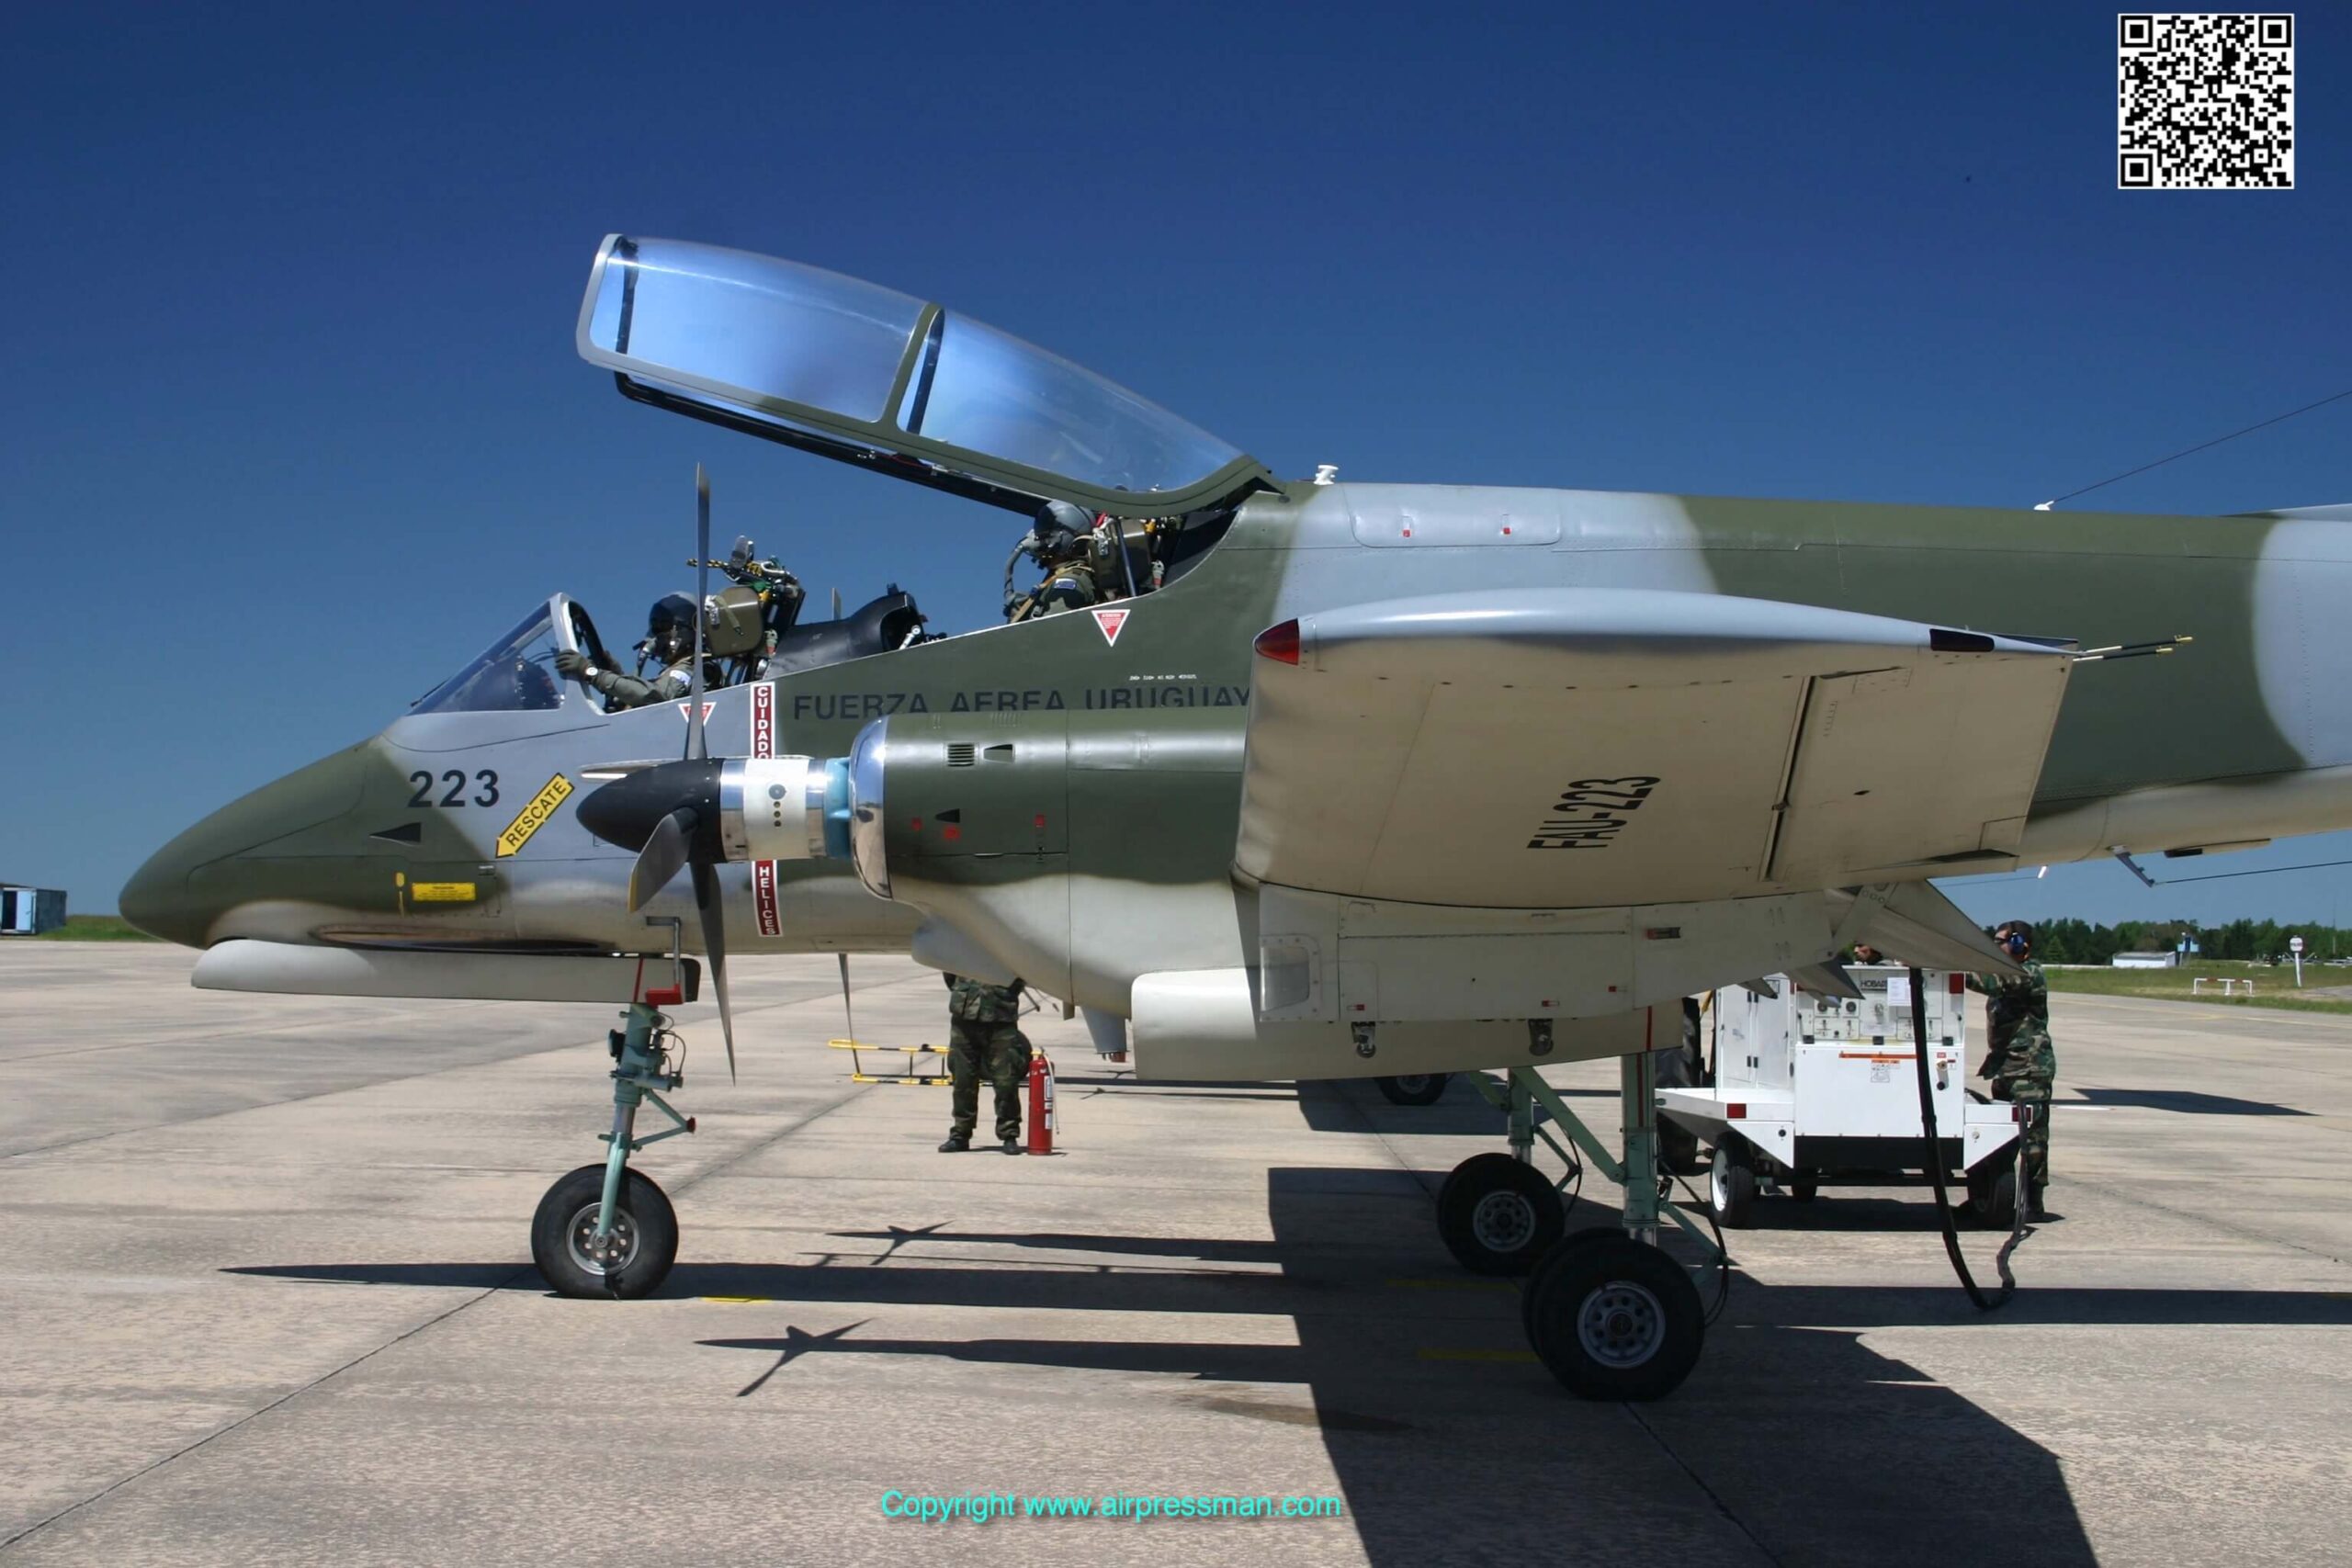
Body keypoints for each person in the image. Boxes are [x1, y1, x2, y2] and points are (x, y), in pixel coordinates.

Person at [1966, 920, 2054, 1217]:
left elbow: (1991, 983)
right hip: (2005, 1069)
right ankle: (1989, 1198)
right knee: (1998, 1141)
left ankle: (2033, 1202)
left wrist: (1950, 967)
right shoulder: (2007, 974)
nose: (1996, 946)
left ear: (2019, 945)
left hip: (2029, 1070)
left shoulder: (2030, 973)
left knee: (2033, 1142)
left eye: (2000, 941)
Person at [554, 593, 717, 710]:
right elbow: (639, 698)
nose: (657, 636)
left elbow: (653, 696)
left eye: (662, 627)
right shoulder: (678, 669)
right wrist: (613, 673)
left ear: (685, 628)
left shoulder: (694, 668)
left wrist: (592, 673)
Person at [938, 973, 1032, 1154]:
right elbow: (949, 972)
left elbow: (1020, 972)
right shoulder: (961, 947)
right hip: (964, 1017)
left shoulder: (1007, 946)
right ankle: (960, 1135)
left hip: (1000, 1017)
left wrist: (1006, 993)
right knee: (963, 1081)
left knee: (1006, 1081)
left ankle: (1009, 1135)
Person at [1004, 501, 1102, 622]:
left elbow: (1053, 634)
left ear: (1061, 537)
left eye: (1042, 529)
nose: (1034, 535)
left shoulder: (1068, 583)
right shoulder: (1063, 577)